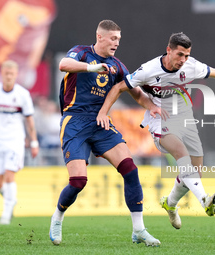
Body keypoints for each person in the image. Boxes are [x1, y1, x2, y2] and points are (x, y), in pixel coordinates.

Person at [97, 32, 215, 229]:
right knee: (181, 153)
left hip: (184, 119)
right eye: (180, 54)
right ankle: (205, 199)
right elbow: (120, 87)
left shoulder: (191, 66)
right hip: (160, 120)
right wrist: (104, 112)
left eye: (187, 55)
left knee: (195, 172)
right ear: (168, 50)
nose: (183, 60)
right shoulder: (149, 70)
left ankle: (170, 204)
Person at [50, 20, 162, 247]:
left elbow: (136, 93)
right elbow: (63, 64)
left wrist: (153, 107)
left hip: (101, 122)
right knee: (79, 181)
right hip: (75, 121)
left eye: (119, 39)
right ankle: (58, 217)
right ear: (99, 37)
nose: (117, 43)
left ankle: (139, 230)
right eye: (113, 38)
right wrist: (92, 68)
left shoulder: (118, 66)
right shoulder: (81, 53)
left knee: (130, 169)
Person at [0, 60, 39, 225]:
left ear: (16, 75)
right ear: (2, 74)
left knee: (9, 174)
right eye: (6, 73)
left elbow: (29, 120)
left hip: (15, 142)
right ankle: (11, 199)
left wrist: (34, 142)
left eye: (11, 73)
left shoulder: (23, 95)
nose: (9, 76)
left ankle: (6, 213)